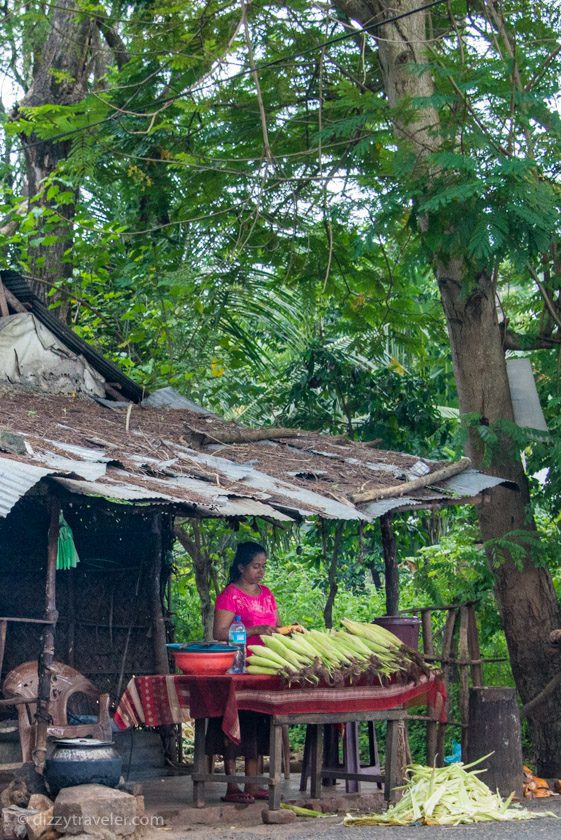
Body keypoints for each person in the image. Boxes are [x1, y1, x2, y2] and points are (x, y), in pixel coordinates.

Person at [210, 541, 279, 803]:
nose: (260, 572)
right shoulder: (230, 595)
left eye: (263, 566)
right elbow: (219, 633)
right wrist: (254, 631)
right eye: (255, 566)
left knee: (257, 724)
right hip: (238, 668)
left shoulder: (267, 594)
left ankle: (252, 784)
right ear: (241, 567)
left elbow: (277, 625)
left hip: (264, 668)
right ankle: (231, 787)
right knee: (235, 723)